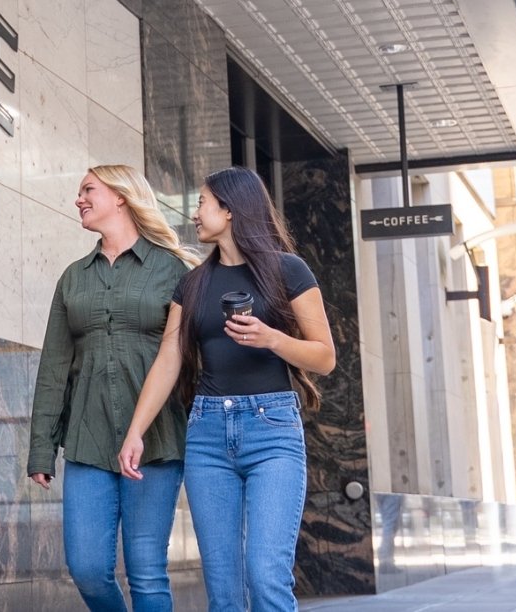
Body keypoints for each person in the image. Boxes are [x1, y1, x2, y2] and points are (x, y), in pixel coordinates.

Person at [119, 167, 335, 612]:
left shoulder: (288, 271)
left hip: (272, 432)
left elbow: (324, 357)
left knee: (266, 575)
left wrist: (272, 338)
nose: (195, 214)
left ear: (231, 210)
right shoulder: (194, 283)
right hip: (208, 435)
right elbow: (168, 360)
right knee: (223, 590)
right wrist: (135, 431)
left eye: (202, 203)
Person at [28, 164, 200, 612]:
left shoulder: (172, 270)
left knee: (146, 570)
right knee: (86, 568)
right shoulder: (73, 277)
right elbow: (53, 369)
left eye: (88, 190)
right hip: (87, 440)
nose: (78, 199)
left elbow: (192, 359)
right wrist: (41, 450)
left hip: (156, 440)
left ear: (121, 196)